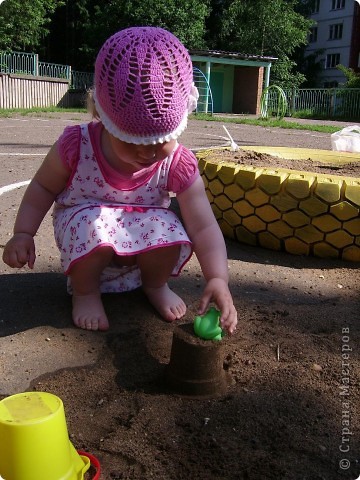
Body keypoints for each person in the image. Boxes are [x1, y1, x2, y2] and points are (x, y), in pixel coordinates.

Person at [2, 26, 237, 334]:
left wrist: (218, 278)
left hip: (137, 235)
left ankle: (154, 284)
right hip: (86, 229)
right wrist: (23, 233)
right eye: (132, 142)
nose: (149, 154)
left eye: (160, 141)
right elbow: (43, 187)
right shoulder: (77, 144)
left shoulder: (177, 161)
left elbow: (203, 225)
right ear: (101, 115)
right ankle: (86, 291)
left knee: (171, 226)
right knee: (94, 224)